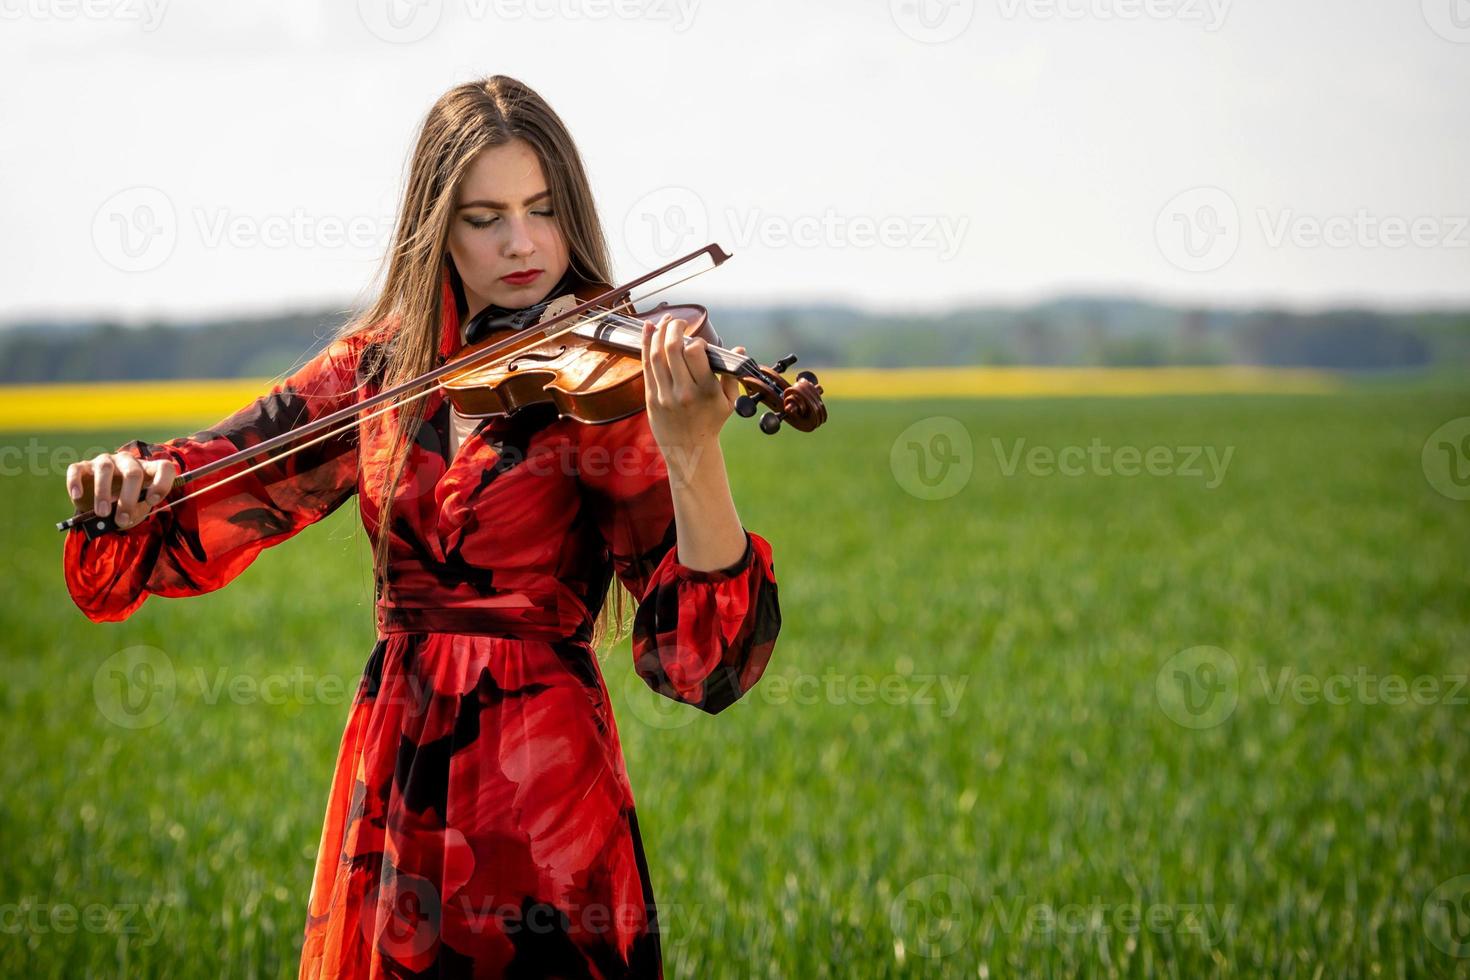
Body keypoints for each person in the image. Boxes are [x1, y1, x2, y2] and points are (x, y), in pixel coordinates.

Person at [60, 75, 781, 979]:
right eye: (486, 217)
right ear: (436, 224)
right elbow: (222, 474)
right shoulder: (377, 370)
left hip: (545, 799)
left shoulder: (611, 379)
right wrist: (131, 487)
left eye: (544, 208)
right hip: (398, 784)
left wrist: (694, 451)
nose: (522, 243)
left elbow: (703, 661)